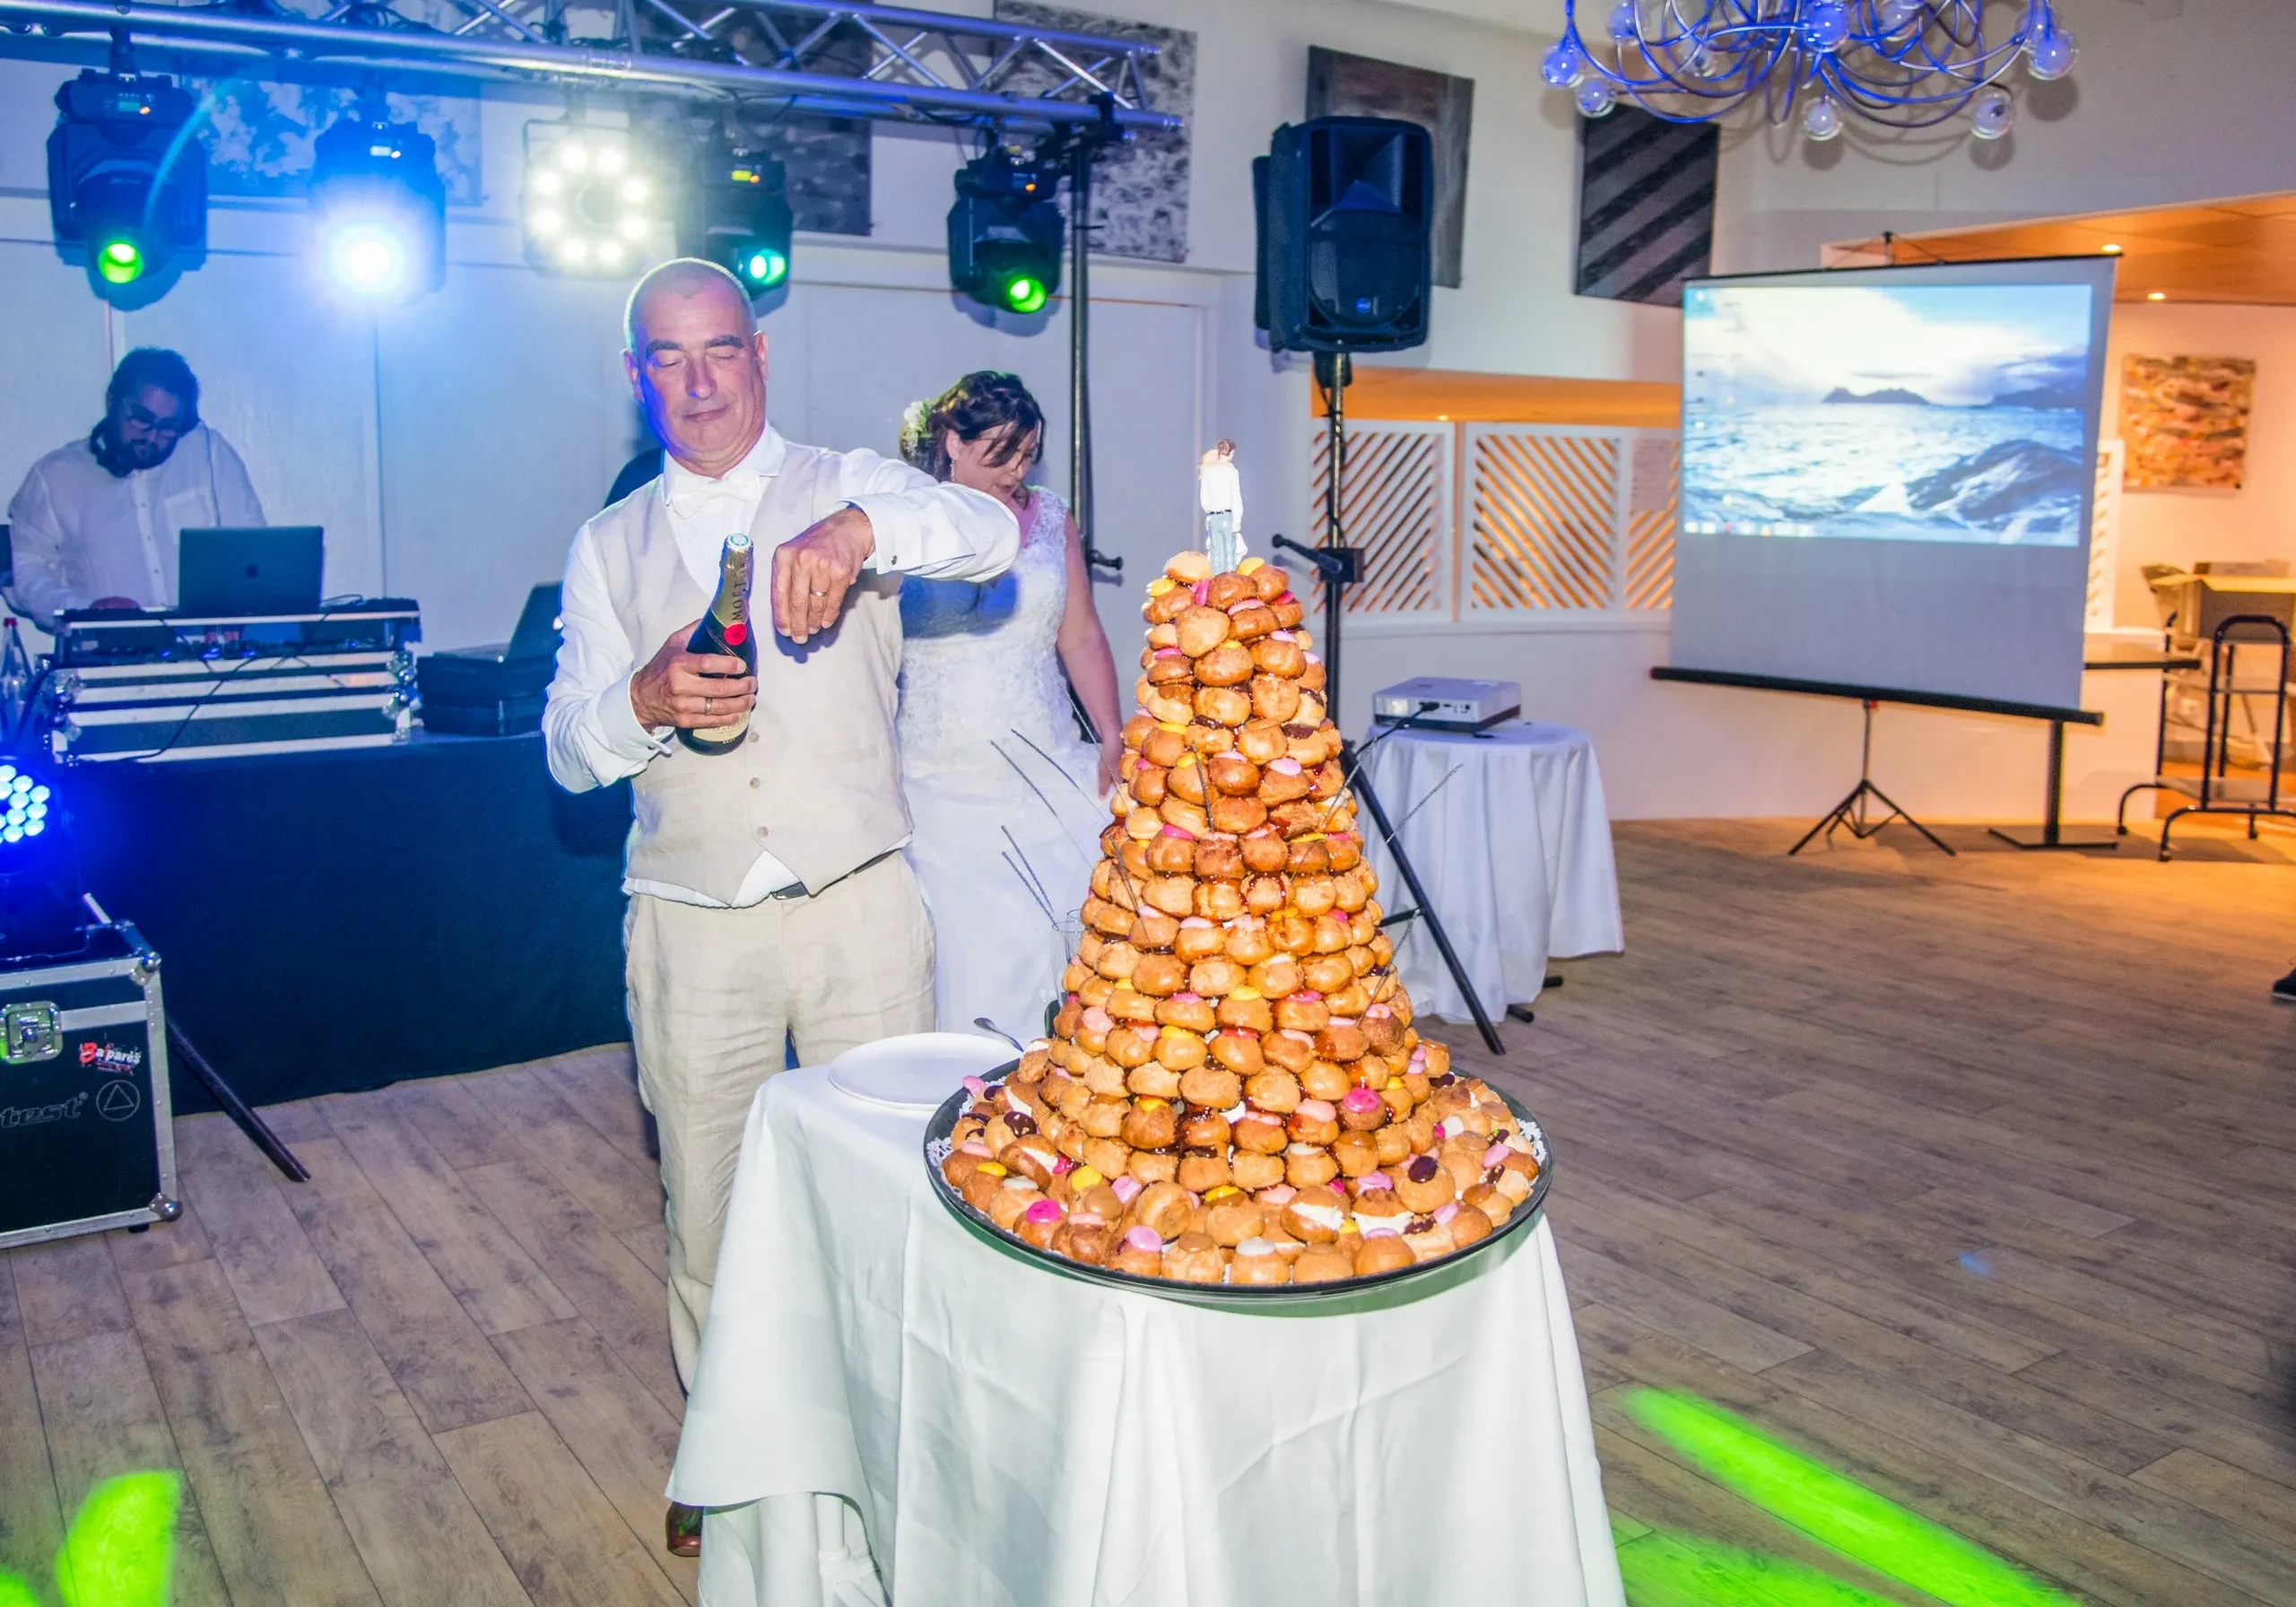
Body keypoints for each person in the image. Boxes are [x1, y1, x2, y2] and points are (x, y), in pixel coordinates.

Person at [542, 260, 1018, 1554]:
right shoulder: (607, 544)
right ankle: (724, 1450)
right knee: (708, 1204)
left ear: (760, 356)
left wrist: (864, 535)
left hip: (858, 904)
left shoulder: (856, 483)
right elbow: (564, 754)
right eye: (667, 359)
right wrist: (637, 704)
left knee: (896, 1194)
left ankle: (899, 1447)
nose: (698, 383)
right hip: (691, 924)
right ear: (639, 376)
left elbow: (995, 538)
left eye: (719, 353)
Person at [896, 371, 1125, 1040]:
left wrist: (1111, 732)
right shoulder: (905, 521)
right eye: (1001, 454)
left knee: (1080, 944)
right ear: (952, 443)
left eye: (1027, 454)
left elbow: (1079, 631)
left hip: (1045, 761)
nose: (1017, 470)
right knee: (980, 959)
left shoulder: (1050, 516)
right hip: (938, 785)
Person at [4, 348, 265, 629]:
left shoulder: (209, 453)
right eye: (141, 419)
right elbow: (24, 567)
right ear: (112, 401)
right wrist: (84, 611)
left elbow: (252, 550)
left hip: (208, 656)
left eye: (168, 428)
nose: (152, 436)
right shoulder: (56, 476)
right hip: (106, 661)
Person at [1198, 438, 1243, 573]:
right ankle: (1229, 579)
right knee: (1230, 550)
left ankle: (1218, 579)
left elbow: (1204, 495)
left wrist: (1209, 508)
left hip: (1213, 517)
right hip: (1226, 516)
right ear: (1230, 453)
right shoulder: (1231, 471)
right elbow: (1236, 497)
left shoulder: (1207, 471)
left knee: (1216, 550)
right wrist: (1237, 520)